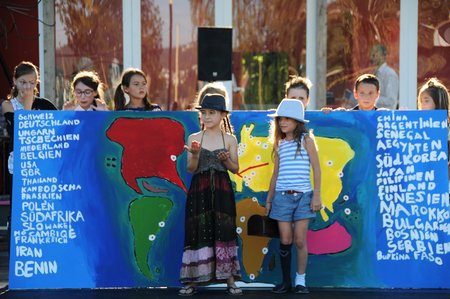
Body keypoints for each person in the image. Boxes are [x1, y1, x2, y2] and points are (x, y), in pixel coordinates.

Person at [179, 90, 242, 296]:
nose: (207, 117)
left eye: (212, 113)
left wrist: (225, 160)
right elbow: (190, 168)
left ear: (223, 115)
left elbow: (235, 169)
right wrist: (195, 155)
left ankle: (230, 280)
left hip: (223, 191)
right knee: (198, 230)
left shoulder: (230, 139)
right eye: (204, 112)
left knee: (224, 231)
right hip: (199, 190)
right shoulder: (195, 137)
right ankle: (192, 280)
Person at [265, 99, 322, 294]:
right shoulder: (280, 144)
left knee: (299, 240)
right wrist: (270, 199)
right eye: (281, 118)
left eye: (288, 119)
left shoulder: (306, 140)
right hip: (282, 197)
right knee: (286, 239)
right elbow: (276, 174)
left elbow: (316, 168)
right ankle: (286, 281)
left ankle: (300, 281)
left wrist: (317, 195)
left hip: (304, 197)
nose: (283, 122)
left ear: (298, 121)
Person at [1, 61, 57, 173]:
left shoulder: (45, 104)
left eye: (31, 83)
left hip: (43, 160)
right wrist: (27, 103)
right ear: (14, 81)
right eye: (23, 82)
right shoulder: (8, 105)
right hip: (19, 163)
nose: (27, 87)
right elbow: (23, 129)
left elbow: (60, 127)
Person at [417, 77, 450, 191]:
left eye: (426, 101)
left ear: (438, 102)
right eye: (420, 101)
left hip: (443, 185)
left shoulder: (447, 129)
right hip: (423, 183)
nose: (422, 105)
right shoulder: (417, 127)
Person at [370, 44, 399, 110]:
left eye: (376, 52)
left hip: (385, 117)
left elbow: (391, 100)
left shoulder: (389, 74)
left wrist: (371, 99)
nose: (373, 56)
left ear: (384, 56)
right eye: (372, 53)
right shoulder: (375, 73)